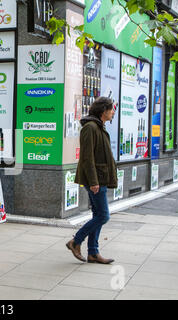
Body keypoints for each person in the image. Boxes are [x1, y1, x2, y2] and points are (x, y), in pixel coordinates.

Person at [66, 96, 118, 264]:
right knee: (103, 215)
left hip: (100, 177)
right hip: (96, 179)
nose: (113, 112)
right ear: (104, 111)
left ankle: (93, 253)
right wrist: (94, 181)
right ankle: (76, 241)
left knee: (98, 214)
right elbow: (87, 158)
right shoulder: (90, 127)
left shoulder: (99, 126)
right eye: (111, 109)